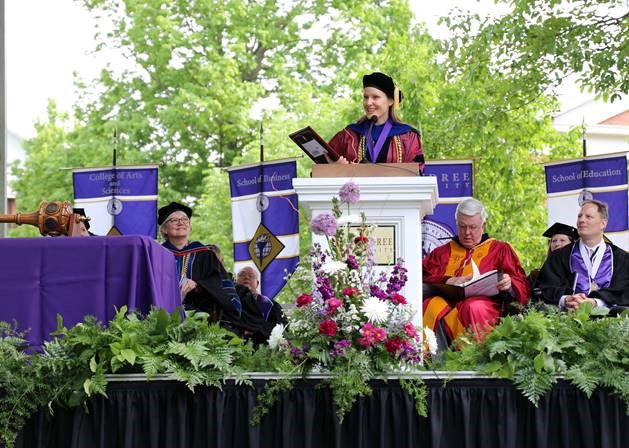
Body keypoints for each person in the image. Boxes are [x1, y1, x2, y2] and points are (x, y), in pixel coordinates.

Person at [423, 198, 530, 344]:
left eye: (472, 227)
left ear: (483, 226)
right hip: (447, 303)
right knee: (431, 305)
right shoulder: (441, 253)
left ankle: (476, 360)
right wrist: (447, 281)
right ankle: (425, 360)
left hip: (485, 306)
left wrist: (509, 285)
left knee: (472, 307)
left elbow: (522, 286)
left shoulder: (499, 250)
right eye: (462, 226)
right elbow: (421, 278)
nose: (467, 233)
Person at [158, 201, 245, 333]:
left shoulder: (205, 255)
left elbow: (219, 285)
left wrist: (198, 285)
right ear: (164, 229)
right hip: (162, 316)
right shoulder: (156, 255)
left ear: (190, 226)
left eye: (185, 220)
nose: (181, 223)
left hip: (201, 319)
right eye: (174, 220)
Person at [536, 200, 629, 311]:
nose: (581, 220)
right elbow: (544, 287)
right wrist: (566, 299)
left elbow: (625, 292)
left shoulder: (622, 259)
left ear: (603, 223)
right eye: (580, 216)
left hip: (611, 324)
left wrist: (596, 302)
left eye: (588, 216)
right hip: (566, 323)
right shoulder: (558, 257)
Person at [327, 72, 425, 171]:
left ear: (391, 100)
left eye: (375, 97)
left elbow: (417, 172)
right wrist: (334, 168)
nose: (368, 103)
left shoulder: (408, 136)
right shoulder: (348, 135)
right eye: (366, 97)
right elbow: (321, 167)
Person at [528, 222, 578, 289]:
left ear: (572, 244)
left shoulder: (579, 269)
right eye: (554, 241)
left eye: (562, 240)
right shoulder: (537, 274)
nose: (557, 244)